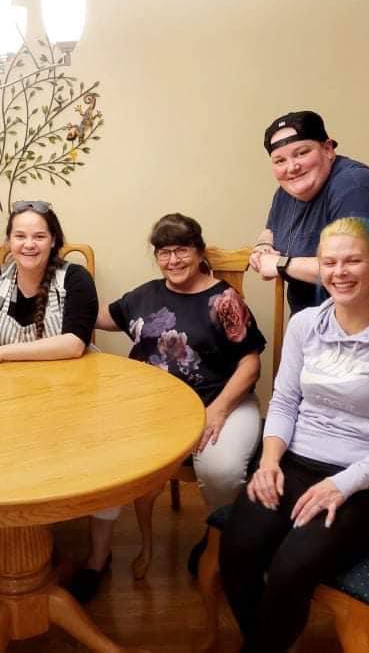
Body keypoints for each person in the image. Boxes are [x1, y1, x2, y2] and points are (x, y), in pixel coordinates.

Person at [220, 217, 369, 653]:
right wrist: (268, 461)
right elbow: (283, 402)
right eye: (329, 262)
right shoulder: (305, 326)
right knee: (237, 552)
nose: (339, 272)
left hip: (367, 482)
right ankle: (269, 642)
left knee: (290, 568)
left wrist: (341, 485)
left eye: (353, 260)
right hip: (296, 460)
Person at [66, 213, 266, 603]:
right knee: (112, 462)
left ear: (199, 252)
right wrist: (66, 300)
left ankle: (221, 544)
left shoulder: (224, 300)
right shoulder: (146, 295)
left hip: (221, 401)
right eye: (164, 252)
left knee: (221, 468)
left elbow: (250, 361)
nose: (173, 260)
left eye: (182, 250)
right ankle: (97, 559)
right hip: (154, 411)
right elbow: (99, 317)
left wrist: (220, 410)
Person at [249, 110, 369, 314]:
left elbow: (352, 271)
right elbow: (271, 229)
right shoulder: (286, 192)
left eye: (302, 153)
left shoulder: (355, 187)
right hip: (321, 328)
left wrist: (281, 264)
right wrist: (264, 246)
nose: (292, 167)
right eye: (280, 160)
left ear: (328, 149)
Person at [0, 200, 97, 370]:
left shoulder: (75, 279)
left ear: (53, 240)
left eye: (39, 237)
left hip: (67, 384)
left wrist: (0, 353)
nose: (29, 245)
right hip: (4, 388)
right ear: (9, 241)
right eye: (20, 236)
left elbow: (74, 344)